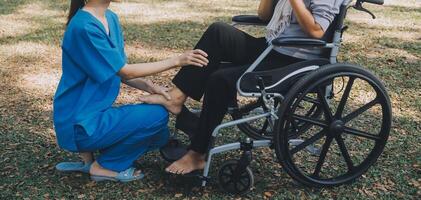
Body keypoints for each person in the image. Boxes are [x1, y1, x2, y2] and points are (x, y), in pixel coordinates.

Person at [140, 0, 345, 175]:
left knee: (221, 78)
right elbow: (263, 15)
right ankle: (176, 97)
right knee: (218, 31)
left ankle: (197, 154)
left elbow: (317, 31)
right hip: (273, 47)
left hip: (294, 61)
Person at [53, 0, 208, 182]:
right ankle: (104, 166)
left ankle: (89, 162)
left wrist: (149, 86)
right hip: (79, 125)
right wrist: (177, 60)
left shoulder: (109, 17)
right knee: (157, 116)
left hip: (89, 117)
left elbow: (115, 69)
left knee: (159, 135)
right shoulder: (84, 27)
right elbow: (124, 70)